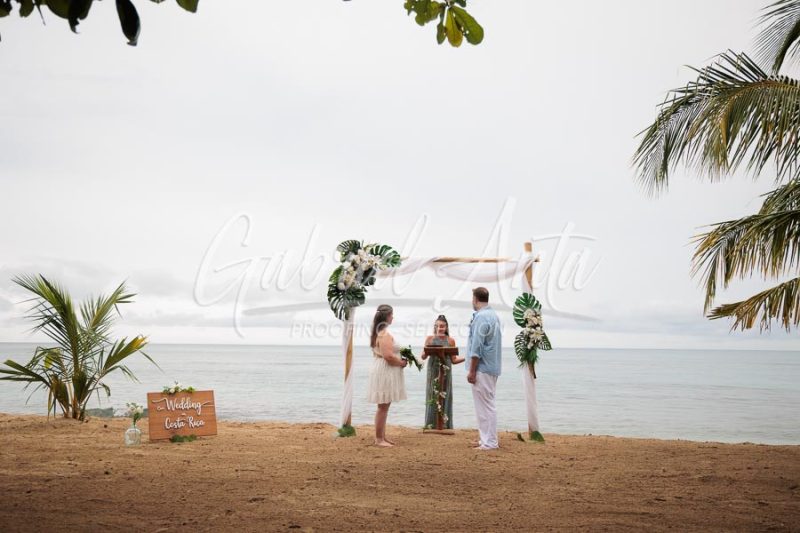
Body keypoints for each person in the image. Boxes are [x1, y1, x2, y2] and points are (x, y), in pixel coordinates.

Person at [366, 304, 407, 447]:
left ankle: (382, 436)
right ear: (387, 316)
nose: (393, 317)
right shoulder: (384, 334)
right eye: (392, 315)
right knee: (383, 406)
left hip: (382, 369)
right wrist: (401, 363)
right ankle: (379, 439)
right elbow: (388, 356)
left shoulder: (379, 332)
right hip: (384, 370)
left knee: (384, 405)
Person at [467, 287, 502, 450]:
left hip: (483, 367)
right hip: (492, 366)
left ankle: (490, 442)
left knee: (485, 407)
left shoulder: (481, 317)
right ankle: (486, 439)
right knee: (485, 405)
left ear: (475, 299)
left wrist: (472, 370)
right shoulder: (493, 315)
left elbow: (477, 346)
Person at [422, 315, 464, 429]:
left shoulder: (451, 340)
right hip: (433, 369)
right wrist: (426, 350)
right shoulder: (429, 339)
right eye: (438, 326)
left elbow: (454, 360)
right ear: (435, 327)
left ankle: (445, 424)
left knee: (445, 394)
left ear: (446, 327)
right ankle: (431, 424)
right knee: (432, 393)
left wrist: (468, 358)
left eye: (442, 326)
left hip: (446, 369)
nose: (440, 328)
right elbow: (423, 356)